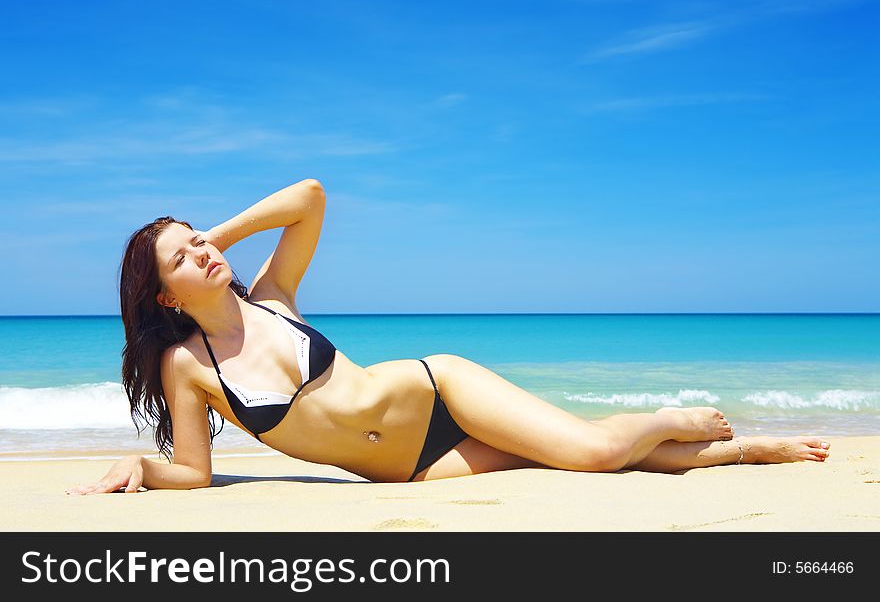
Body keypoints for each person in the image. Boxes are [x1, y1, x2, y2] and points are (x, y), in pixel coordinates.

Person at [66, 179, 831, 494]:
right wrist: (142, 464)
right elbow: (195, 474)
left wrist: (215, 234)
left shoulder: (272, 297)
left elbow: (310, 198)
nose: (203, 249)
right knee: (584, 464)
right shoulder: (186, 364)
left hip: (440, 388)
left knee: (596, 450)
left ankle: (675, 418)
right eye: (184, 254)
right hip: (412, 468)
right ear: (165, 294)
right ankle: (733, 452)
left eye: (200, 237)